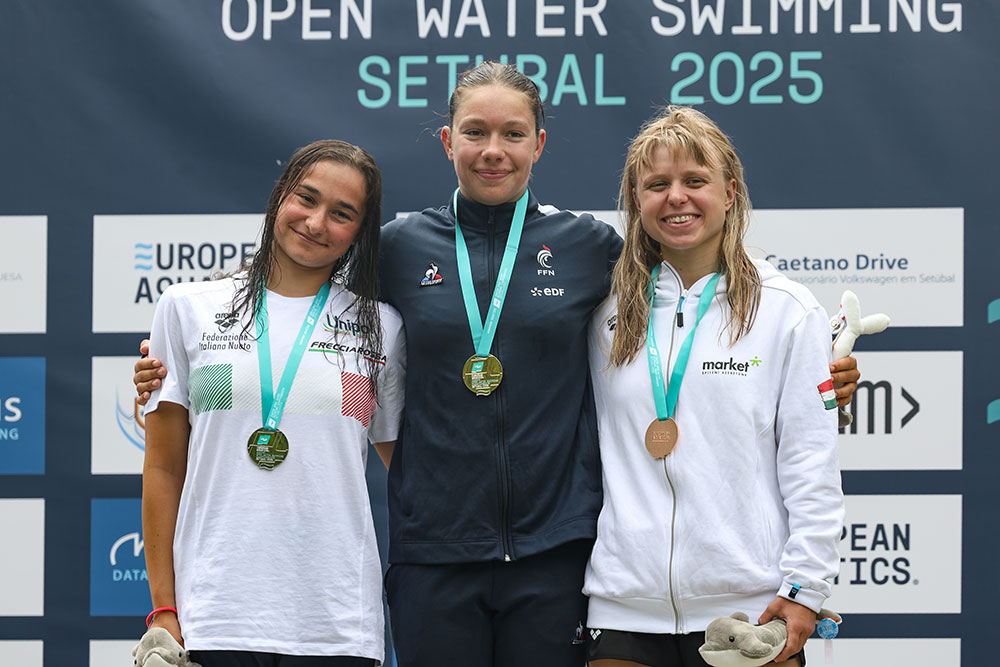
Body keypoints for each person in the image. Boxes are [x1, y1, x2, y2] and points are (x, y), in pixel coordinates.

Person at [133, 64, 859, 667]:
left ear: (538, 144)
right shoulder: (397, 246)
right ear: (448, 141)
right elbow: (296, 295)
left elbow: (696, 317)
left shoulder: (591, 250)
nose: (493, 149)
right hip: (433, 556)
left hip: (556, 554)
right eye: (475, 132)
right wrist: (179, 355)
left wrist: (816, 378)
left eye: (513, 133)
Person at [582, 106, 844, 667]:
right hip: (624, 604)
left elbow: (811, 463)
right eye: (657, 185)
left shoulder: (786, 310)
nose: (676, 197)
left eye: (694, 181)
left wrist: (805, 589)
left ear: (730, 193)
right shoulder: (602, 312)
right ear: (635, 201)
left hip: (750, 611)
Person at [140, 139, 405, 667]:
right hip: (213, 615)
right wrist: (164, 609)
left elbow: (408, 472)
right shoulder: (187, 309)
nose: (315, 221)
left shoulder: (382, 328)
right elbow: (164, 468)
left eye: (341, 213)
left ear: (359, 232)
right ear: (279, 196)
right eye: (305, 198)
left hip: (336, 623)